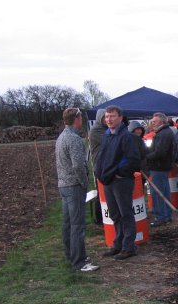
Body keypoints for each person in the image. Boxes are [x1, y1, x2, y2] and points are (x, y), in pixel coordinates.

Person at [95, 105, 141, 260]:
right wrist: (101, 172)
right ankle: (118, 243)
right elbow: (103, 157)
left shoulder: (126, 136)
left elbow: (133, 160)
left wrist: (118, 172)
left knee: (126, 214)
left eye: (112, 116)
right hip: (107, 181)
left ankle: (129, 247)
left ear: (120, 118)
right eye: (107, 116)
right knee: (115, 214)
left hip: (121, 181)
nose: (109, 119)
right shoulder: (106, 135)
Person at [56, 108, 97, 272]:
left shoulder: (61, 137)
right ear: (77, 119)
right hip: (74, 186)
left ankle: (70, 255)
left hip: (63, 185)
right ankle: (79, 261)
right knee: (77, 225)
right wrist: (84, 182)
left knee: (67, 223)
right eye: (81, 117)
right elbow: (78, 165)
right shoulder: (74, 139)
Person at [146, 112, 175, 226]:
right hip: (162, 166)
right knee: (164, 191)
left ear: (162, 122)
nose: (153, 123)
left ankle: (161, 217)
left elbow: (160, 152)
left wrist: (146, 157)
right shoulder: (163, 132)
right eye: (152, 121)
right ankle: (166, 215)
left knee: (157, 193)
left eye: (155, 121)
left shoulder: (163, 134)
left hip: (158, 166)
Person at [88, 108, 107, 225]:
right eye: (105, 117)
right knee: (101, 193)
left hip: (106, 164)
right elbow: (108, 142)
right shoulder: (96, 131)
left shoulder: (105, 129)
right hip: (100, 164)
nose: (107, 119)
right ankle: (99, 219)